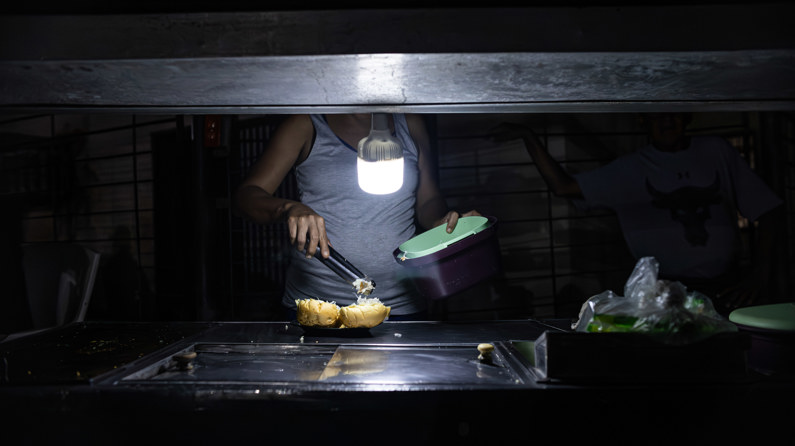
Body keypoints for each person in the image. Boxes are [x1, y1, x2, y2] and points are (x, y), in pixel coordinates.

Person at [492, 112, 783, 314]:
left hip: (727, 286)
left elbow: (768, 210)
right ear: (643, 120)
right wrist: (528, 137)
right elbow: (564, 187)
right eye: (657, 115)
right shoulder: (631, 169)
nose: (667, 120)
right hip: (663, 293)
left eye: (674, 112)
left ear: (688, 115)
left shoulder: (717, 151)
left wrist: (760, 275)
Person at [234, 113, 479, 320]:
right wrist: (288, 208)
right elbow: (247, 196)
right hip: (318, 309)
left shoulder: (409, 123)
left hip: (401, 308)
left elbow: (428, 200)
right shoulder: (306, 123)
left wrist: (442, 222)